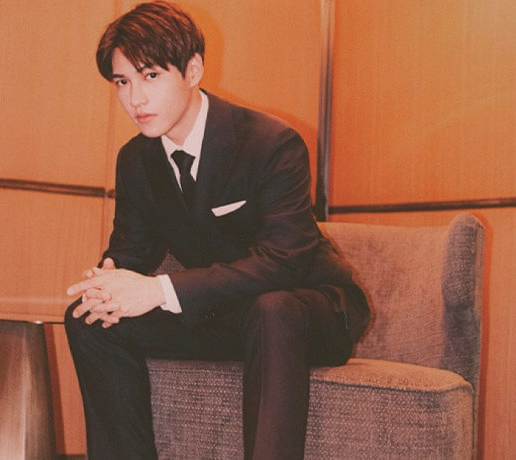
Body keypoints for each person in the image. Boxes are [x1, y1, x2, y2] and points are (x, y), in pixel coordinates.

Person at [64, 2, 370, 459]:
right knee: (89, 320)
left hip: (309, 309)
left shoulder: (271, 143)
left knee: (273, 308)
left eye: (150, 76)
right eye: (122, 82)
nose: (135, 99)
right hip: (221, 312)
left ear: (193, 70)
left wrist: (159, 290)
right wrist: (109, 282)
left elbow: (283, 261)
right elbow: (131, 248)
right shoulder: (136, 159)